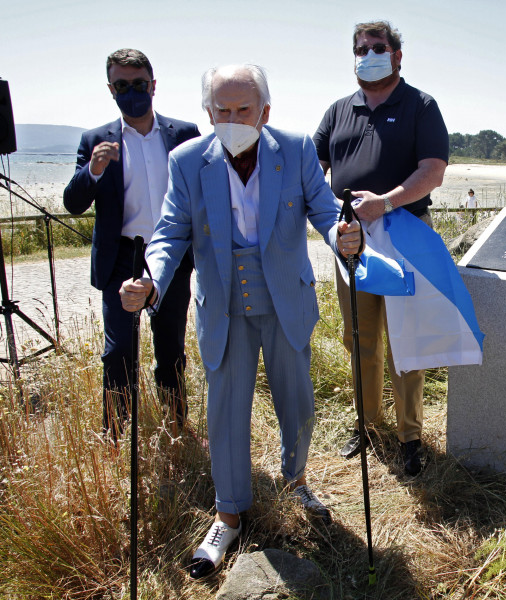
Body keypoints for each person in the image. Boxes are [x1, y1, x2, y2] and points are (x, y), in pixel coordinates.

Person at [120, 64, 362, 579]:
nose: (232, 119)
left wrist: (342, 238)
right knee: (226, 411)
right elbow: (169, 233)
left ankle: (295, 481)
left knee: (297, 401)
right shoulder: (187, 161)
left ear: (265, 111)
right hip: (223, 305)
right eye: (221, 110)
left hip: (286, 301)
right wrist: (152, 282)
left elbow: (324, 212)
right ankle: (228, 512)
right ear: (207, 113)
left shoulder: (295, 150)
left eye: (243, 110)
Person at [314, 20, 448, 476]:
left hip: (404, 231)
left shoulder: (421, 105)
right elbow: (314, 167)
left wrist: (385, 202)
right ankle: (367, 425)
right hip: (351, 237)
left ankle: (410, 436)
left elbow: (432, 171)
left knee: (405, 339)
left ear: (396, 55)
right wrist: (332, 210)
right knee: (360, 337)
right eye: (360, 48)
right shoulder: (337, 110)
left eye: (377, 46)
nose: (367, 53)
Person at [63, 49, 199, 438]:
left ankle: (177, 425)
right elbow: (73, 204)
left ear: (153, 85)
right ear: (111, 90)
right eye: (122, 85)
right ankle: (116, 434)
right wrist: (93, 169)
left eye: (138, 84)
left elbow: (206, 192)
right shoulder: (95, 141)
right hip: (121, 257)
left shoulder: (184, 134)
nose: (131, 91)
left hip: (171, 255)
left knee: (170, 347)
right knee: (119, 351)